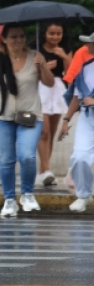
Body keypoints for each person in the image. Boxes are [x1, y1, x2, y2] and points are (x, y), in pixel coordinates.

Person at [0, 23, 54, 218]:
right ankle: (9, 200)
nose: (18, 40)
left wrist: (43, 66)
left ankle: (28, 194)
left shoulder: (34, 57)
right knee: (6, 160)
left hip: (30, 115)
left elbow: (50, 82)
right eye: (13, 36)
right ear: (4, 39)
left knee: (27, 156)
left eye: (21, 36)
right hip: (2, 116)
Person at [34, 21, 71, 186]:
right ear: (44, 33)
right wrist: (44, 67)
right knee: (44, 132)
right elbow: (29, 71)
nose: (55, 37)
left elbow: (71, 73)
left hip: (58, 88)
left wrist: (64, 57)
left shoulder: (65, 49)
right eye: (51, 34)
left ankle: (44, 171)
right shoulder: (36, 49)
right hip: (40, 87)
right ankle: (46, 169)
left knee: (52, 132)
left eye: (58, 34)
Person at [60, 33, 94, 211]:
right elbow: (77, 96)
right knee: (79, 157)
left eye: (91, 43)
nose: (88, 46)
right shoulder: (85, 66)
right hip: (88, 117)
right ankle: (84, 195)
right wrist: (66, 119)